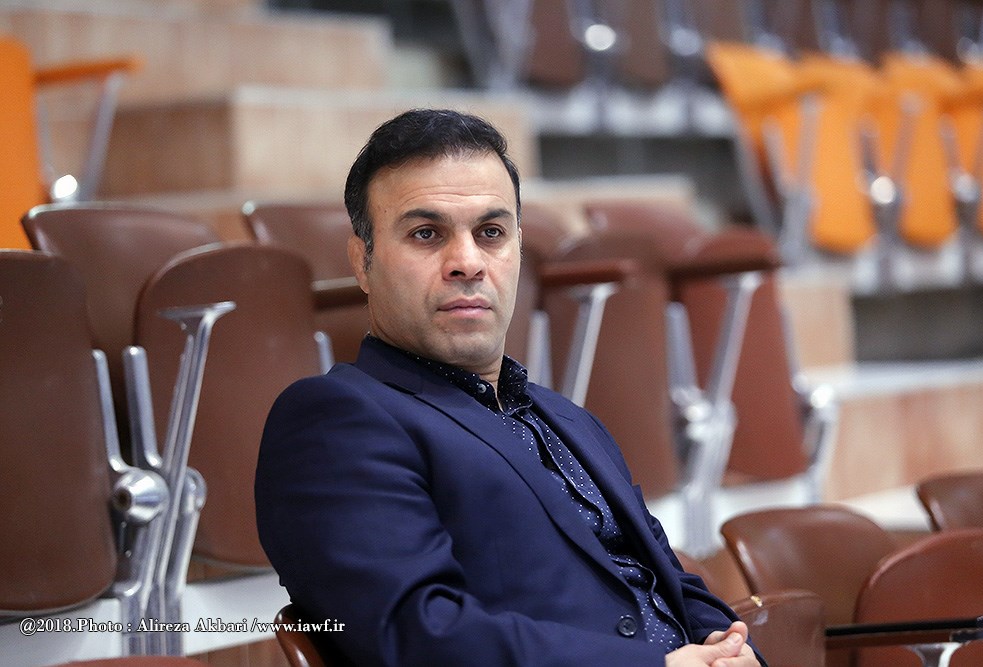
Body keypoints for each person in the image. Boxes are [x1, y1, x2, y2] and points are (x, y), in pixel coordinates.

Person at [255, 108, 764, 666]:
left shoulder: (567, 419)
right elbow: (416, 632)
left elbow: (667, 580)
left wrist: (734, 652)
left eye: (490, 233)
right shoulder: (335, 420)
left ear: (518, 250)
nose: (467, 262)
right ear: (362, 260)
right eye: (426, 234)